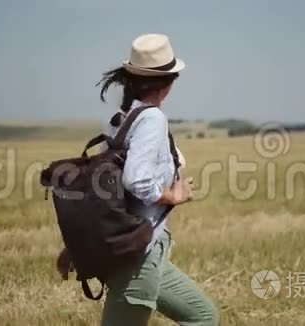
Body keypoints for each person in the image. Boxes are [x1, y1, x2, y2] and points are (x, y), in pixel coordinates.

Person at [94, 34, 219, 326]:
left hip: (143, 250)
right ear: (169, 82)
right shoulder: (152, 119)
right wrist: (174, 195)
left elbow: (99, 187)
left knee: (203, 316)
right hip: (137, 257)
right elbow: (136, 180)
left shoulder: (121, 118)